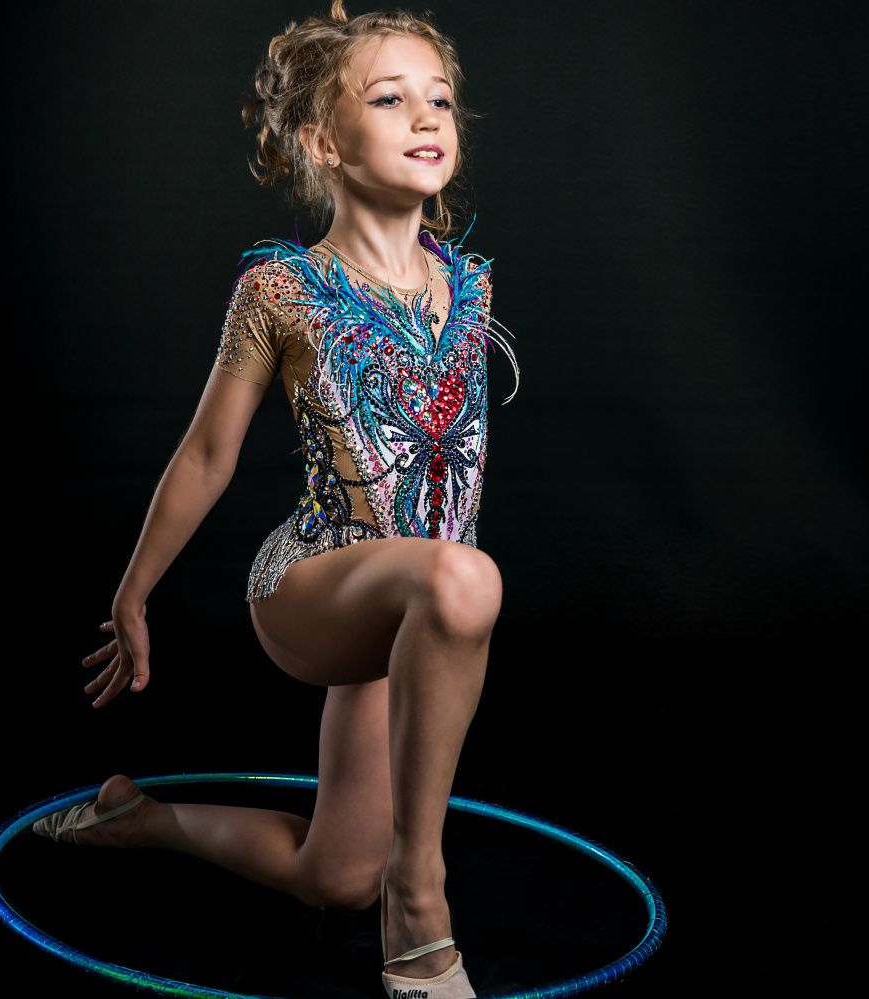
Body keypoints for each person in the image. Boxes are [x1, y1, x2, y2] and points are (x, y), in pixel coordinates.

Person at [33, 3, 519, 997]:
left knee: (334, 876)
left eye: (439, 99)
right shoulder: (282, 288)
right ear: (321, 142)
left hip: (413, 602)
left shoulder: (466, 285)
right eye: (388, 99)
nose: (425, 116)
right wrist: (134, 592)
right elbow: (209, 452)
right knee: (467, 578)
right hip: (313, 583)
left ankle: (141, 820)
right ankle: (419, 900)